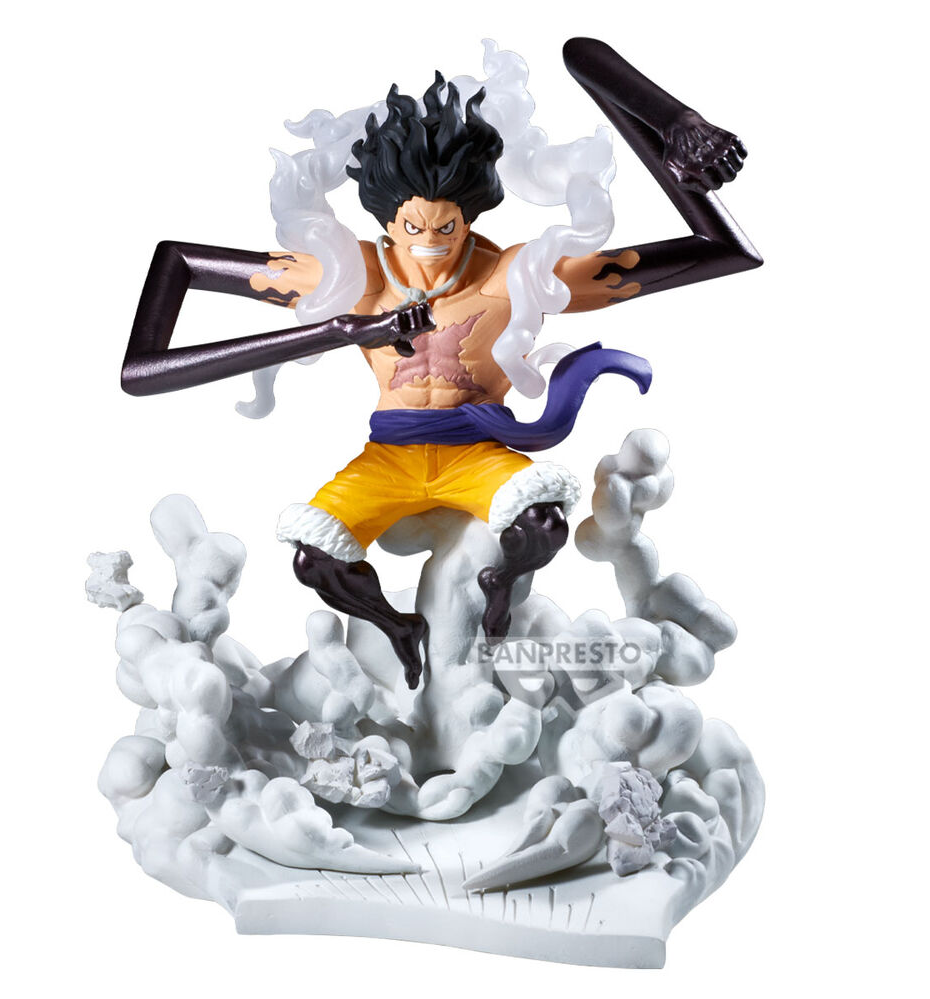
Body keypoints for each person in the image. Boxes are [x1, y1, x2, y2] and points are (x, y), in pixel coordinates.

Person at [121, 39, 761, 689]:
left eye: (446, 228)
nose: (429, 244)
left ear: (469, 216)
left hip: (476, 453)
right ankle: (399, 628)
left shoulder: (518, 275)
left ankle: (499, 591)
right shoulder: (349, 276)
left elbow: (723, 249)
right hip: (387, 458)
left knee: (544, 523)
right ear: (386, 221)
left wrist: (673, 125)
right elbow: (171, 288)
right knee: (315, 558)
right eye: (412, 228)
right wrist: (340, 329)